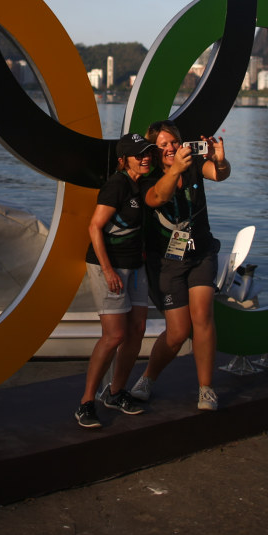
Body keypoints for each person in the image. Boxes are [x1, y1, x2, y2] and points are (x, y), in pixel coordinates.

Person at [129, 119, 231, 411]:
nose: (171, 148)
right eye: (163, 145)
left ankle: (206, 388)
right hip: (167, 262)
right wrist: (175, 170)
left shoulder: (195, 165)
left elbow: (220, 174)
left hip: (200, 254)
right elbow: (156, 198)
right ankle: (148, 377)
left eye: (174, 142)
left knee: (203, 317)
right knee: (177, 332)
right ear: (154, 150)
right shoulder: (150, 176)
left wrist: (220, 161)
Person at [74, 132, 158, 429]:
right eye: (140, 154)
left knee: (137, 330)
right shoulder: (117, 184)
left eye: (148, 152)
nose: (146, 157)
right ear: (124, 160)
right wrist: (108, 270)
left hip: (136, 266)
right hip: (108, 267)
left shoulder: (143, 182)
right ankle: (86, 402)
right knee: (114, 336)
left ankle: (115, 392)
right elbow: (95, 227)